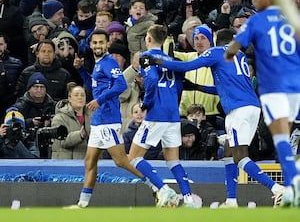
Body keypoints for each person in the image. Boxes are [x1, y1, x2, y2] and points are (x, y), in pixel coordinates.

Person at [140, 28, 284, 207]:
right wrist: (198, 88)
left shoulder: (217, 52)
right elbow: (224, 88)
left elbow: (187, 66)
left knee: (240, 157)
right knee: (229, 154)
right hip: (251, 107)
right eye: (196, 38)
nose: (199, 42)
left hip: (238, 110)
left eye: (203, 38)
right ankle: (231, 201)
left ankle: (277, 189)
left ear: (215, 39)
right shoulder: (239, 56)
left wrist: (157, 61)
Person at [224, 0, 300, 207]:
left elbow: (233, 48)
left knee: (282, 140)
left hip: (274, 87)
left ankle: (287, 189)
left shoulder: (258, 21)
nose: (255, 0)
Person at [73, 29, 154, 208]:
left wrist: (99, 101)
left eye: (101, 42)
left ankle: (156, 186)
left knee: (120, 160)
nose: (98, 46)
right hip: (98, 120)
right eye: (95, 43)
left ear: (107, 44)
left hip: (108, 119)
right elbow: (93, 84)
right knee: (90, 161)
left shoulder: (109, 62)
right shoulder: (99, 63)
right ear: (91, 44)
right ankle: (82, 204)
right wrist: (80, 71)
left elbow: (121, 84)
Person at [128, 24, 201, 208]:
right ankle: (189, 200)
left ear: (149, 39)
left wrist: (146, 103)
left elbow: (151, 80)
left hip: (156, 115)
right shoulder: (170, 59)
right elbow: (178, 87)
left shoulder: (146, 57)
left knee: (133, 158)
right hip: (172, 115)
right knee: (173, 161)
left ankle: (163, 189)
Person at [13, 72, 56, 158]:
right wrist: (30, 122)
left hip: (50, 141)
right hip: (28, 142)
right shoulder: (21, 105)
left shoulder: (53, 105)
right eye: (36, 87)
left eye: (42, 87)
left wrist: (51, 122)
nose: (39, 90)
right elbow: (12, 123)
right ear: (29, 89)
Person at [51, 82, 91, 159]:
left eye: (82, 95)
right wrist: (80, 135)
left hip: (88, 162)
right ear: (69, 98)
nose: (80, 97)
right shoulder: (59, 118)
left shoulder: (93, 116)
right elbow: (62, 141)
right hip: (66, 164)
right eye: (76, 95)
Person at [0, 33, 24, 123]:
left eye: (0, 44)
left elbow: (20, 88)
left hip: (9, 106)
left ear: (5, 45)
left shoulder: (17, 64)